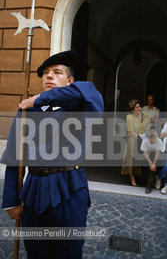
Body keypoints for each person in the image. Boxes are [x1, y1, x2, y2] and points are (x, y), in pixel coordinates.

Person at [1, 50, 104, 259]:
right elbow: (14, 156)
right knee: (36, 252)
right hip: (33, 191)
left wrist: (40, 98)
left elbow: (87, 91)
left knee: (68, 253)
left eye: (57, 72)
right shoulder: (28, 111)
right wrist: (11, 201)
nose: (49, 76)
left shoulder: (81, 105)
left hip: (70, 189)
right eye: (46, 73)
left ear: (70, 81)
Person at [122, 99, 150, 186]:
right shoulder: (129, 117)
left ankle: (141, 175)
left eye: (139, 106)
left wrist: (146, 137)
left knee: (143, 158)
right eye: (136, 107)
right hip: (133, 141)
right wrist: (140, 136)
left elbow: (148, 128)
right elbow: (131, 131)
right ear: (133, 110)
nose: (139, 108)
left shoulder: (145, 116)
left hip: (144, 139)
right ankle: (132, 177)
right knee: (132, 160)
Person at [140, 129, 162, 194]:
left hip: (157, 156)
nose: (155, 139)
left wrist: (153, 164)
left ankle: (150, 186)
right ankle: (149, 183)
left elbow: (158, 153)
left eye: (156, 137)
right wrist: (150, 163)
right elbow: (145, 153)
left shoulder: (159, 141)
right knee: (148, 170)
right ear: (149, 138)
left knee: (153, 170)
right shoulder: (145, 141)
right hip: (148, 154)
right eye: (154, 138)